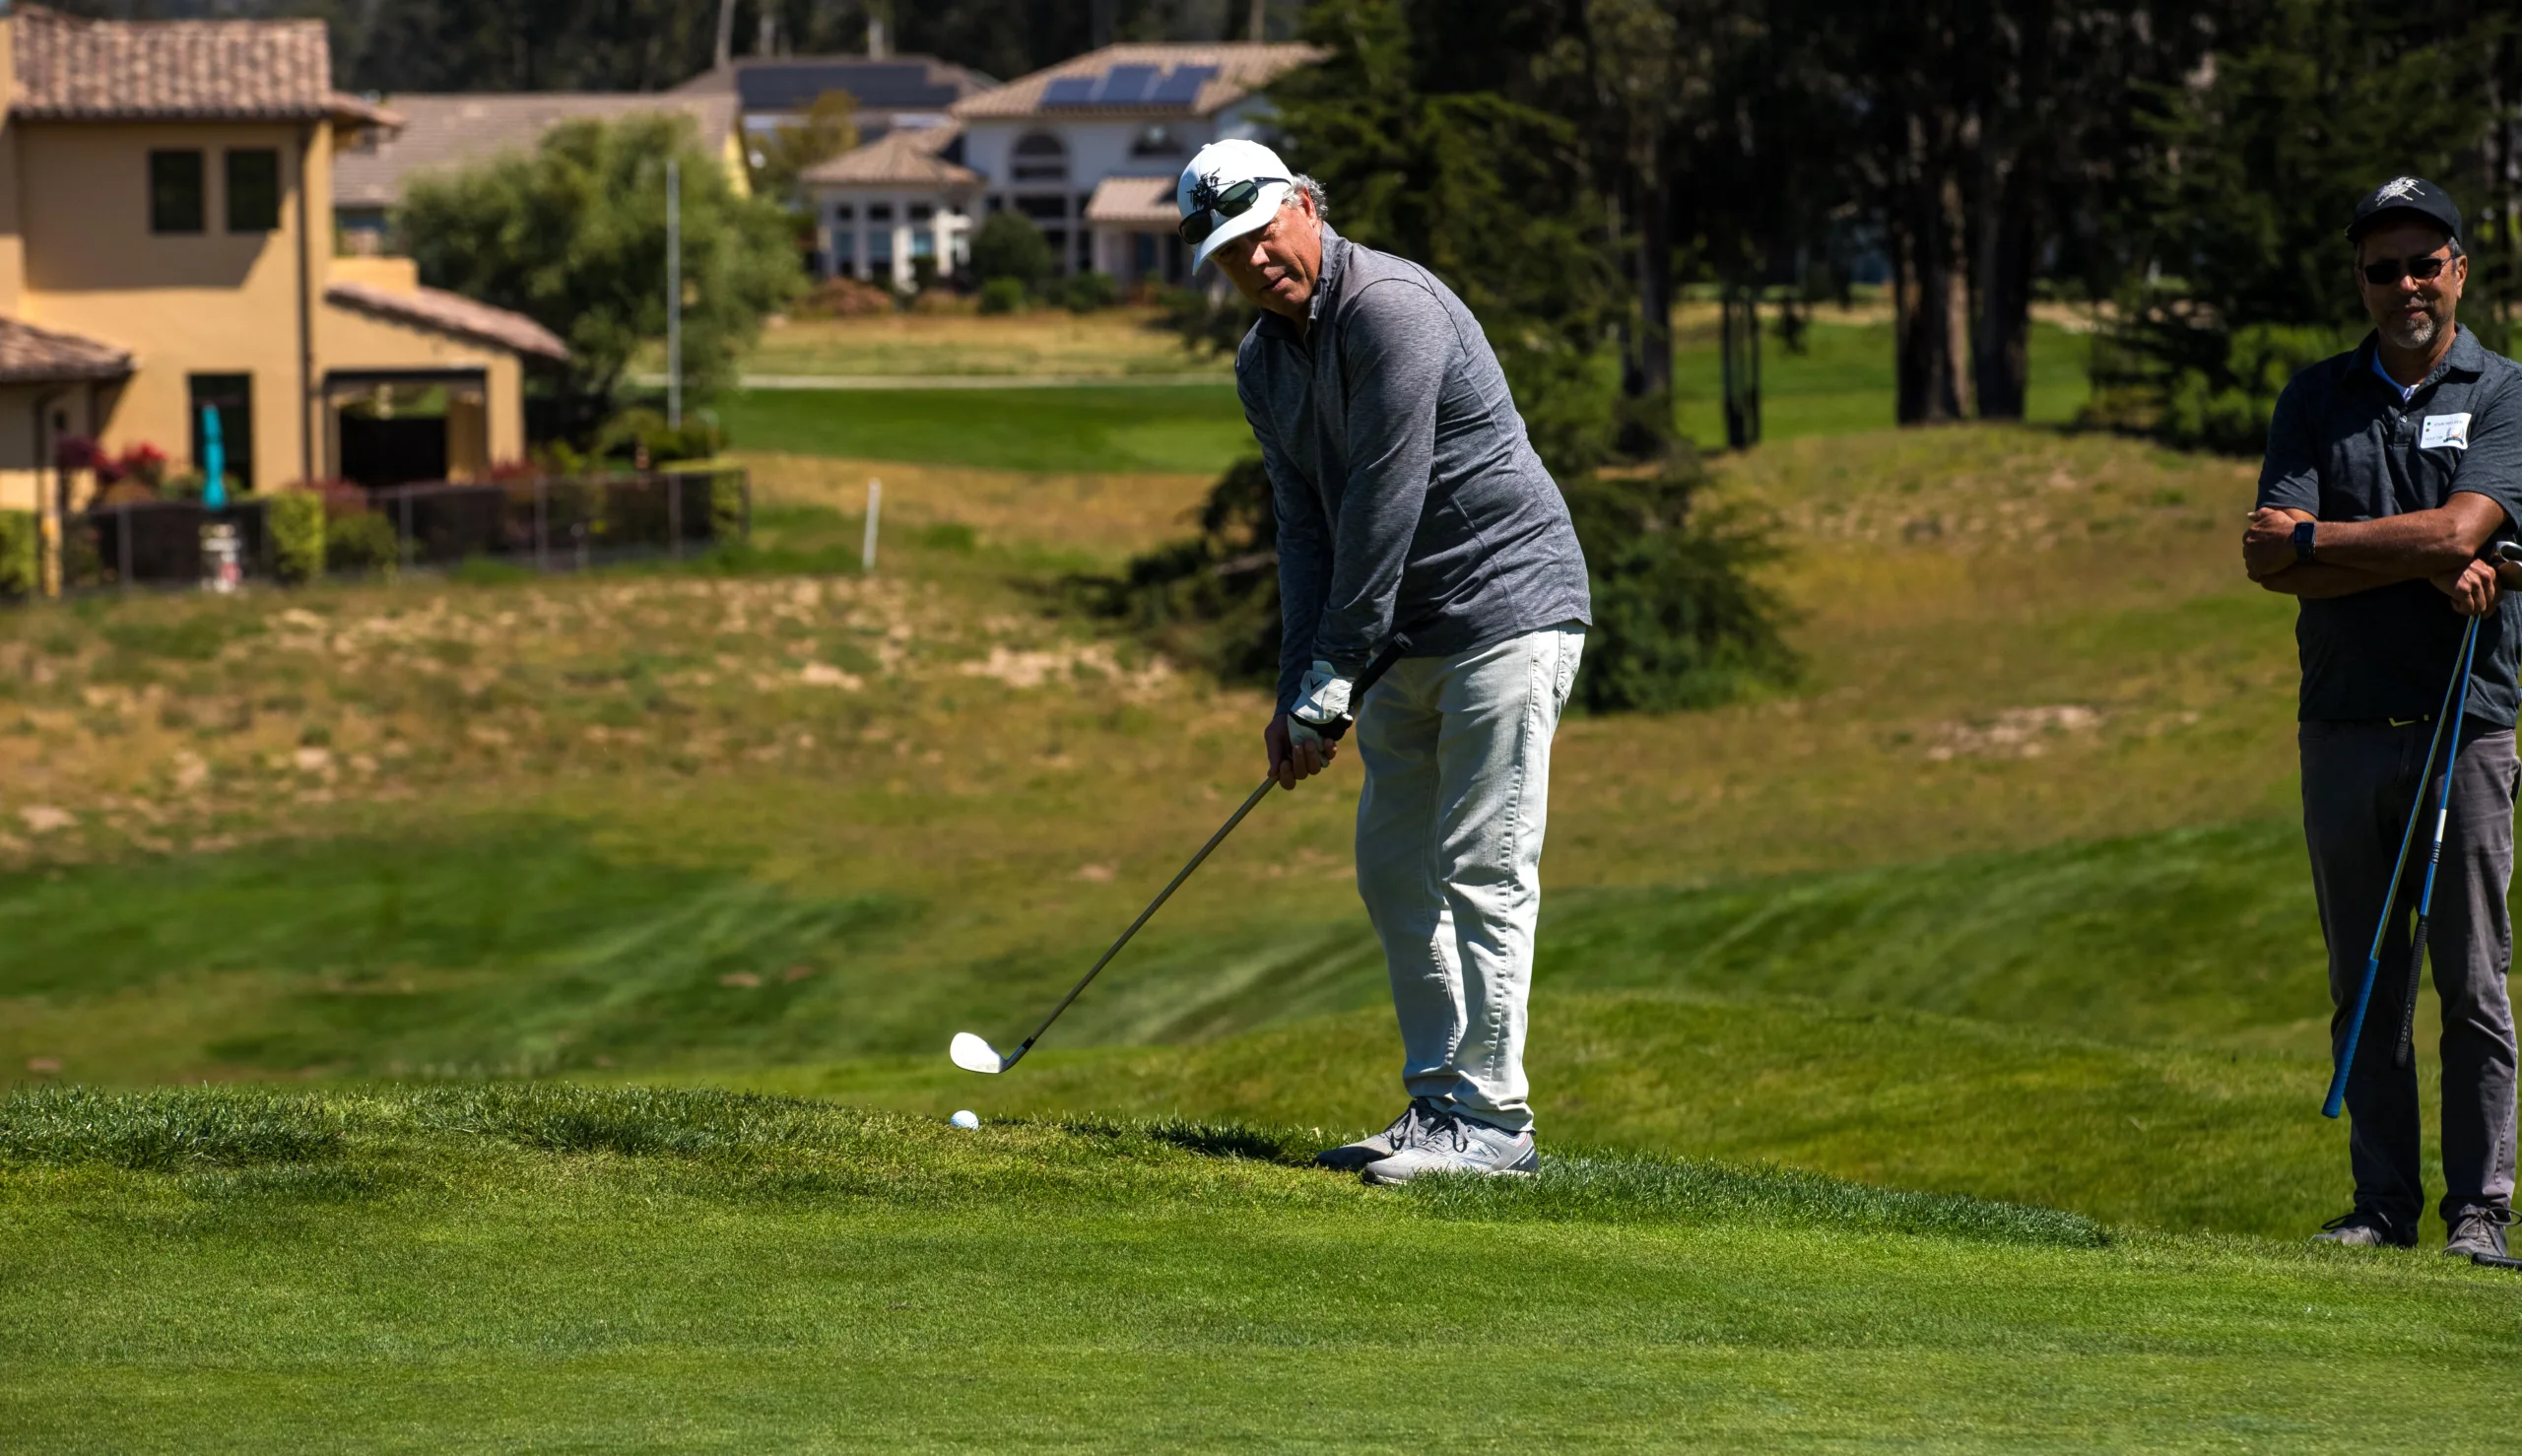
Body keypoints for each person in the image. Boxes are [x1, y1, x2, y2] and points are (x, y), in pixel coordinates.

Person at [1175, 138, 1591, 1184]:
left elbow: (1383, 501)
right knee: (1393, 866)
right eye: (1231, 255)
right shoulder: (1264, 363)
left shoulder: (1391, 307)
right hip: (1403, 635)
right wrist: (1296, 688)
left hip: (1505, 607)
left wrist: (1333, 676)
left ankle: (1495, 1121)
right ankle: (1437, 1103)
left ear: (1306, 207)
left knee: (1481, 863)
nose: (1257, 265)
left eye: (1265, 238)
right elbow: (1305, 527)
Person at [2244, 175, 2522, 1260]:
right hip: (2342, 725)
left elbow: (2469, 524)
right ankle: (2379, 1205)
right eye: (2380, 266)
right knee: (2364, 980)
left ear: (2456, 268)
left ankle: (2480, 1212)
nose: (2402, 283)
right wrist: (2420, 558)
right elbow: (2269, 556)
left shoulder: (2502, 391)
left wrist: (2330, 543)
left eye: (2422, 261)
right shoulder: (2313, 399)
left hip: (2467, 724)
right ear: (2359, 279)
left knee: (2471, 984)